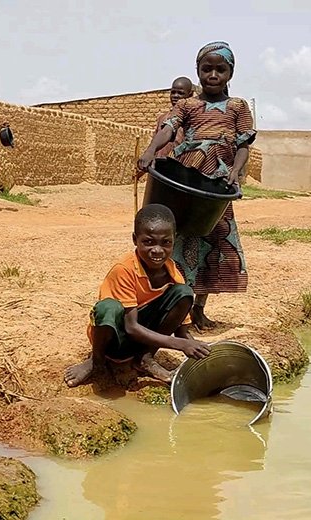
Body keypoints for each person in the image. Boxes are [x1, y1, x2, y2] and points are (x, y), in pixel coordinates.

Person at [139, 41, 255, 331]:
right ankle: (175, 312)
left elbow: (243, 144)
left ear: (230, 72)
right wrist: (151, 150)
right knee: (179, 245)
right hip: (186, 183)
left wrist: (236, 172)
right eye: (206, 69)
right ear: (198, 71)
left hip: (216, 187)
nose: (213, 75)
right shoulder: (188, 105)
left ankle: (199, 310)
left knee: (213, 248)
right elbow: (168, 129)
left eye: (220, 69)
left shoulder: (238, 107)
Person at [65, 204, 211, 388]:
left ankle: (145, 357)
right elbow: (131, 327)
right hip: (115, 340)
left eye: (165, 242)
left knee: (184, 293)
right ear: (135, 239)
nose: (157, 250)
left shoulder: (174, 274)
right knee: (108, 308)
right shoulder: (124, 270)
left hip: (144, 340)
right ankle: (96, 361)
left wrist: (202, 352)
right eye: (148, 242)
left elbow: (181, 331)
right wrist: (179, 344)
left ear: (174, 241)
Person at [154, 77, 193, 158]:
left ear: (190, 95)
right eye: (173, 92)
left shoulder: (192, 119)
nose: (175, 96)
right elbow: (155, 143)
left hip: (179, 165)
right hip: (159, 165)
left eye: (180, 93)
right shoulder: (162, 118)